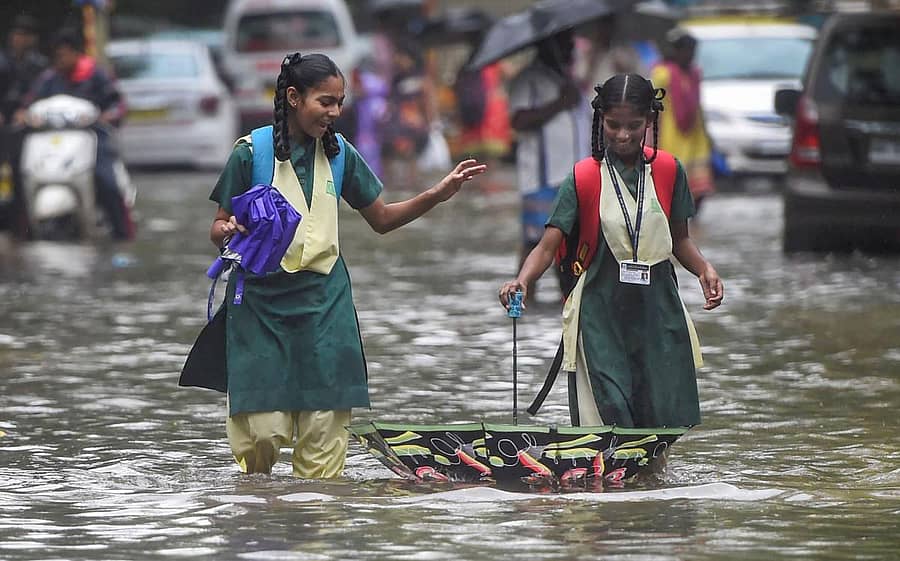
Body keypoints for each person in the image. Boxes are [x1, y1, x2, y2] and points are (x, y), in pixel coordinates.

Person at [206, 52, 486, 478]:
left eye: (340, 102)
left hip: (324, 303)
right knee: (262, 433)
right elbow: (217, 226)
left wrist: (437, 193)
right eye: (326, 102)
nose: (335, 112)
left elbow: (383, 219)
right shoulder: (250, 152)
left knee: (324, 433)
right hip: (260, 303)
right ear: (295, 98)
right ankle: (261, 514)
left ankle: (316, 528)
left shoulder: (340, 154)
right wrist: (228, 228)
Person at [499, 74, 723, 436]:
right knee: (611, 413)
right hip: (601, 316)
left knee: (658, 420)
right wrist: (522, 280)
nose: (622, 135)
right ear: (599, 121)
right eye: (613, 125)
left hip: (657, 314)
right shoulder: (584, 178)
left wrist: (704, 269)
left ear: (650, 122)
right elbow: (547, 245)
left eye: (634, 126)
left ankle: (649, 490)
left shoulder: (668, 171)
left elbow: (680, 240)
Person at [19, 29, 132, 240]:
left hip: (93, 140)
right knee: (22, 175)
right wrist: (24, 115)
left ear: (74, 53)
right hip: (55, 145)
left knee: (107, 180)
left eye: (62, 55)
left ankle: (123, 234)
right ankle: (23, 233)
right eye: (56, 56)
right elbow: (29, 104)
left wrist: (107, 116)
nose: (59, 60)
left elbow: (118, 104)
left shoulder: (96, 75)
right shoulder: (49, 78)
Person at [508, 29, 589, 303]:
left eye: (570, 41)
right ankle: (519, 303)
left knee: (570, 246)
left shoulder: (569, 78)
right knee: (535, 242)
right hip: (542, 179)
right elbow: (518, 120)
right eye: (563, 42)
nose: (569, 47)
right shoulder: (528, 79)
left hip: (574, 178)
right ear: (547, 43)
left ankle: (568, 305)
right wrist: (558, 104)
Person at [650, 28, 716, 212]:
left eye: (693, 51)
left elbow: (698, 104)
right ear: (676, 51)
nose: (690, 55)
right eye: (686, 51)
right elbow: (654, 106)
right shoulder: (662, 74)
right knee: (675, 188)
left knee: (700, 189)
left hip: (696, 136)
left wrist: (707, 134)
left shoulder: (695, 73)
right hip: (672, 135)